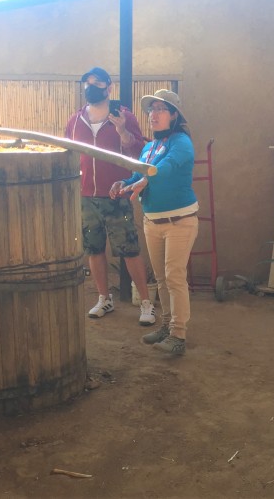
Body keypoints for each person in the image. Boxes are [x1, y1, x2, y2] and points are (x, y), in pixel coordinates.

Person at [64, 67, 156, 326]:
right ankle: (104, 298)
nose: (90, 87)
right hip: (86, 195)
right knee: (94, 249)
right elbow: (68, 152)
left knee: (129, 249)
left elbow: (140, 151)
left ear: (109, 88)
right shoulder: (74, 120)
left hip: (117, 193)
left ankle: (146, 303)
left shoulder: (123, 116)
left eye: (96, 83)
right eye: (87, 83)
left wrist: (123, 131)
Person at [111, 89, 197, 355]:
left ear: (174, 115)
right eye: (151, 110)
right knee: (161, 278)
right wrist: (123, 183)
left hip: (179, 221)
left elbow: (165, 167)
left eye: (160, 109)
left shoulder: (181, 142)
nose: (154, 114)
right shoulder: (149, 147)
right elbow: (139, 172)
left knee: (174, 277)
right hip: (152, 221)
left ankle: (179, 335)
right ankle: (167, 326)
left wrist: (144, 179)